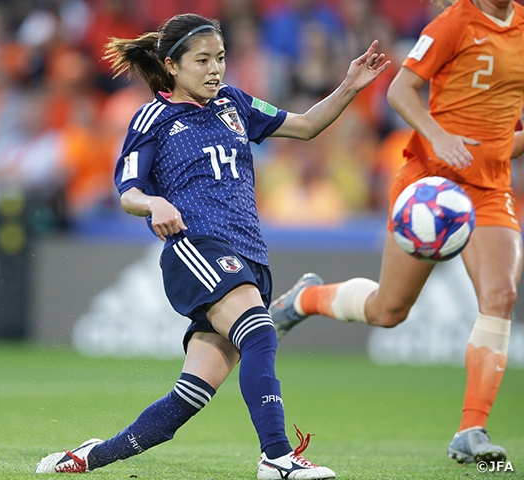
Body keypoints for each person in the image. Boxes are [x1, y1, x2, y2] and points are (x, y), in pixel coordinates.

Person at [35, 13, 390, 478]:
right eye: (201, 60)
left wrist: (350, 86)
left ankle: (88, 457)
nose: (214, 69)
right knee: (260, 331)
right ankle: (277, 458)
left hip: (249, 256)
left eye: (220, 58)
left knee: (188, 398)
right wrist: (154, 203)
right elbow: (127, 191)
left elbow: (304, 126)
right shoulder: (154, 118)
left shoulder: (234, 103)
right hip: (195, 249)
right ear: (172, 66)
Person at [270, 0, 524, 467]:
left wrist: (497, 149)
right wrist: (438, 134)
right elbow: (400, 91)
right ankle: (305, 300)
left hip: (490, 186)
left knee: (501, 297)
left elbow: (513, 126)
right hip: (430, 182)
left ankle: (471, 429)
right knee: (389, 311)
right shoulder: (455, 22)